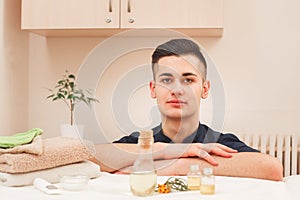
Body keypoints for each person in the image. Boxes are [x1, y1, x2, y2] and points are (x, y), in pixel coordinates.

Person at [91, 38, 283, 181]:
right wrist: (169, 151)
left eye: (188, 80)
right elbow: (90, 158)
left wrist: (177, 165)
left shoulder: (218, 143)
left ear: (205, 89)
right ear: (153, 89)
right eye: (166, 80)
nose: (177, 89)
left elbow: (272, 168)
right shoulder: (138, 143)